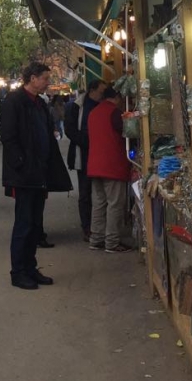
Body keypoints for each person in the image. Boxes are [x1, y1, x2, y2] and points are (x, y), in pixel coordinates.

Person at [0, 61, 71, 290]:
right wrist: (21, 164)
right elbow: (8, 137)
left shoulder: (39, 103)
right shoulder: (14, 101)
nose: (47, 83)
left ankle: (30, 268)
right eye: (45, 78)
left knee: (35, 224)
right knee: (24, 224)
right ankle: (18, 272)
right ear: (32, 78)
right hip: (24, 175)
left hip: (39, 173)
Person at [87, 84, 133, 252]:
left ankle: (96, 238)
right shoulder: (114, 113)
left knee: (99, 203)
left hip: (95, 165)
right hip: (112, 165)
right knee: (115, 204)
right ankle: (112, 241)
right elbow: (127, 132)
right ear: (117, 97)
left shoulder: (93, 112)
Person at [64, 79, 107, 240]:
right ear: (92, 90)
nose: (103, 95)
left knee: (101, 191)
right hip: (83, 154)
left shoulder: (102, 105)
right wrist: (88, 142)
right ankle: (87, 227)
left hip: (101, 153)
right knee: (85, 192)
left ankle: (99, 226)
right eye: (101, 92)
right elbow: (70, 130)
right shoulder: (76, 106)